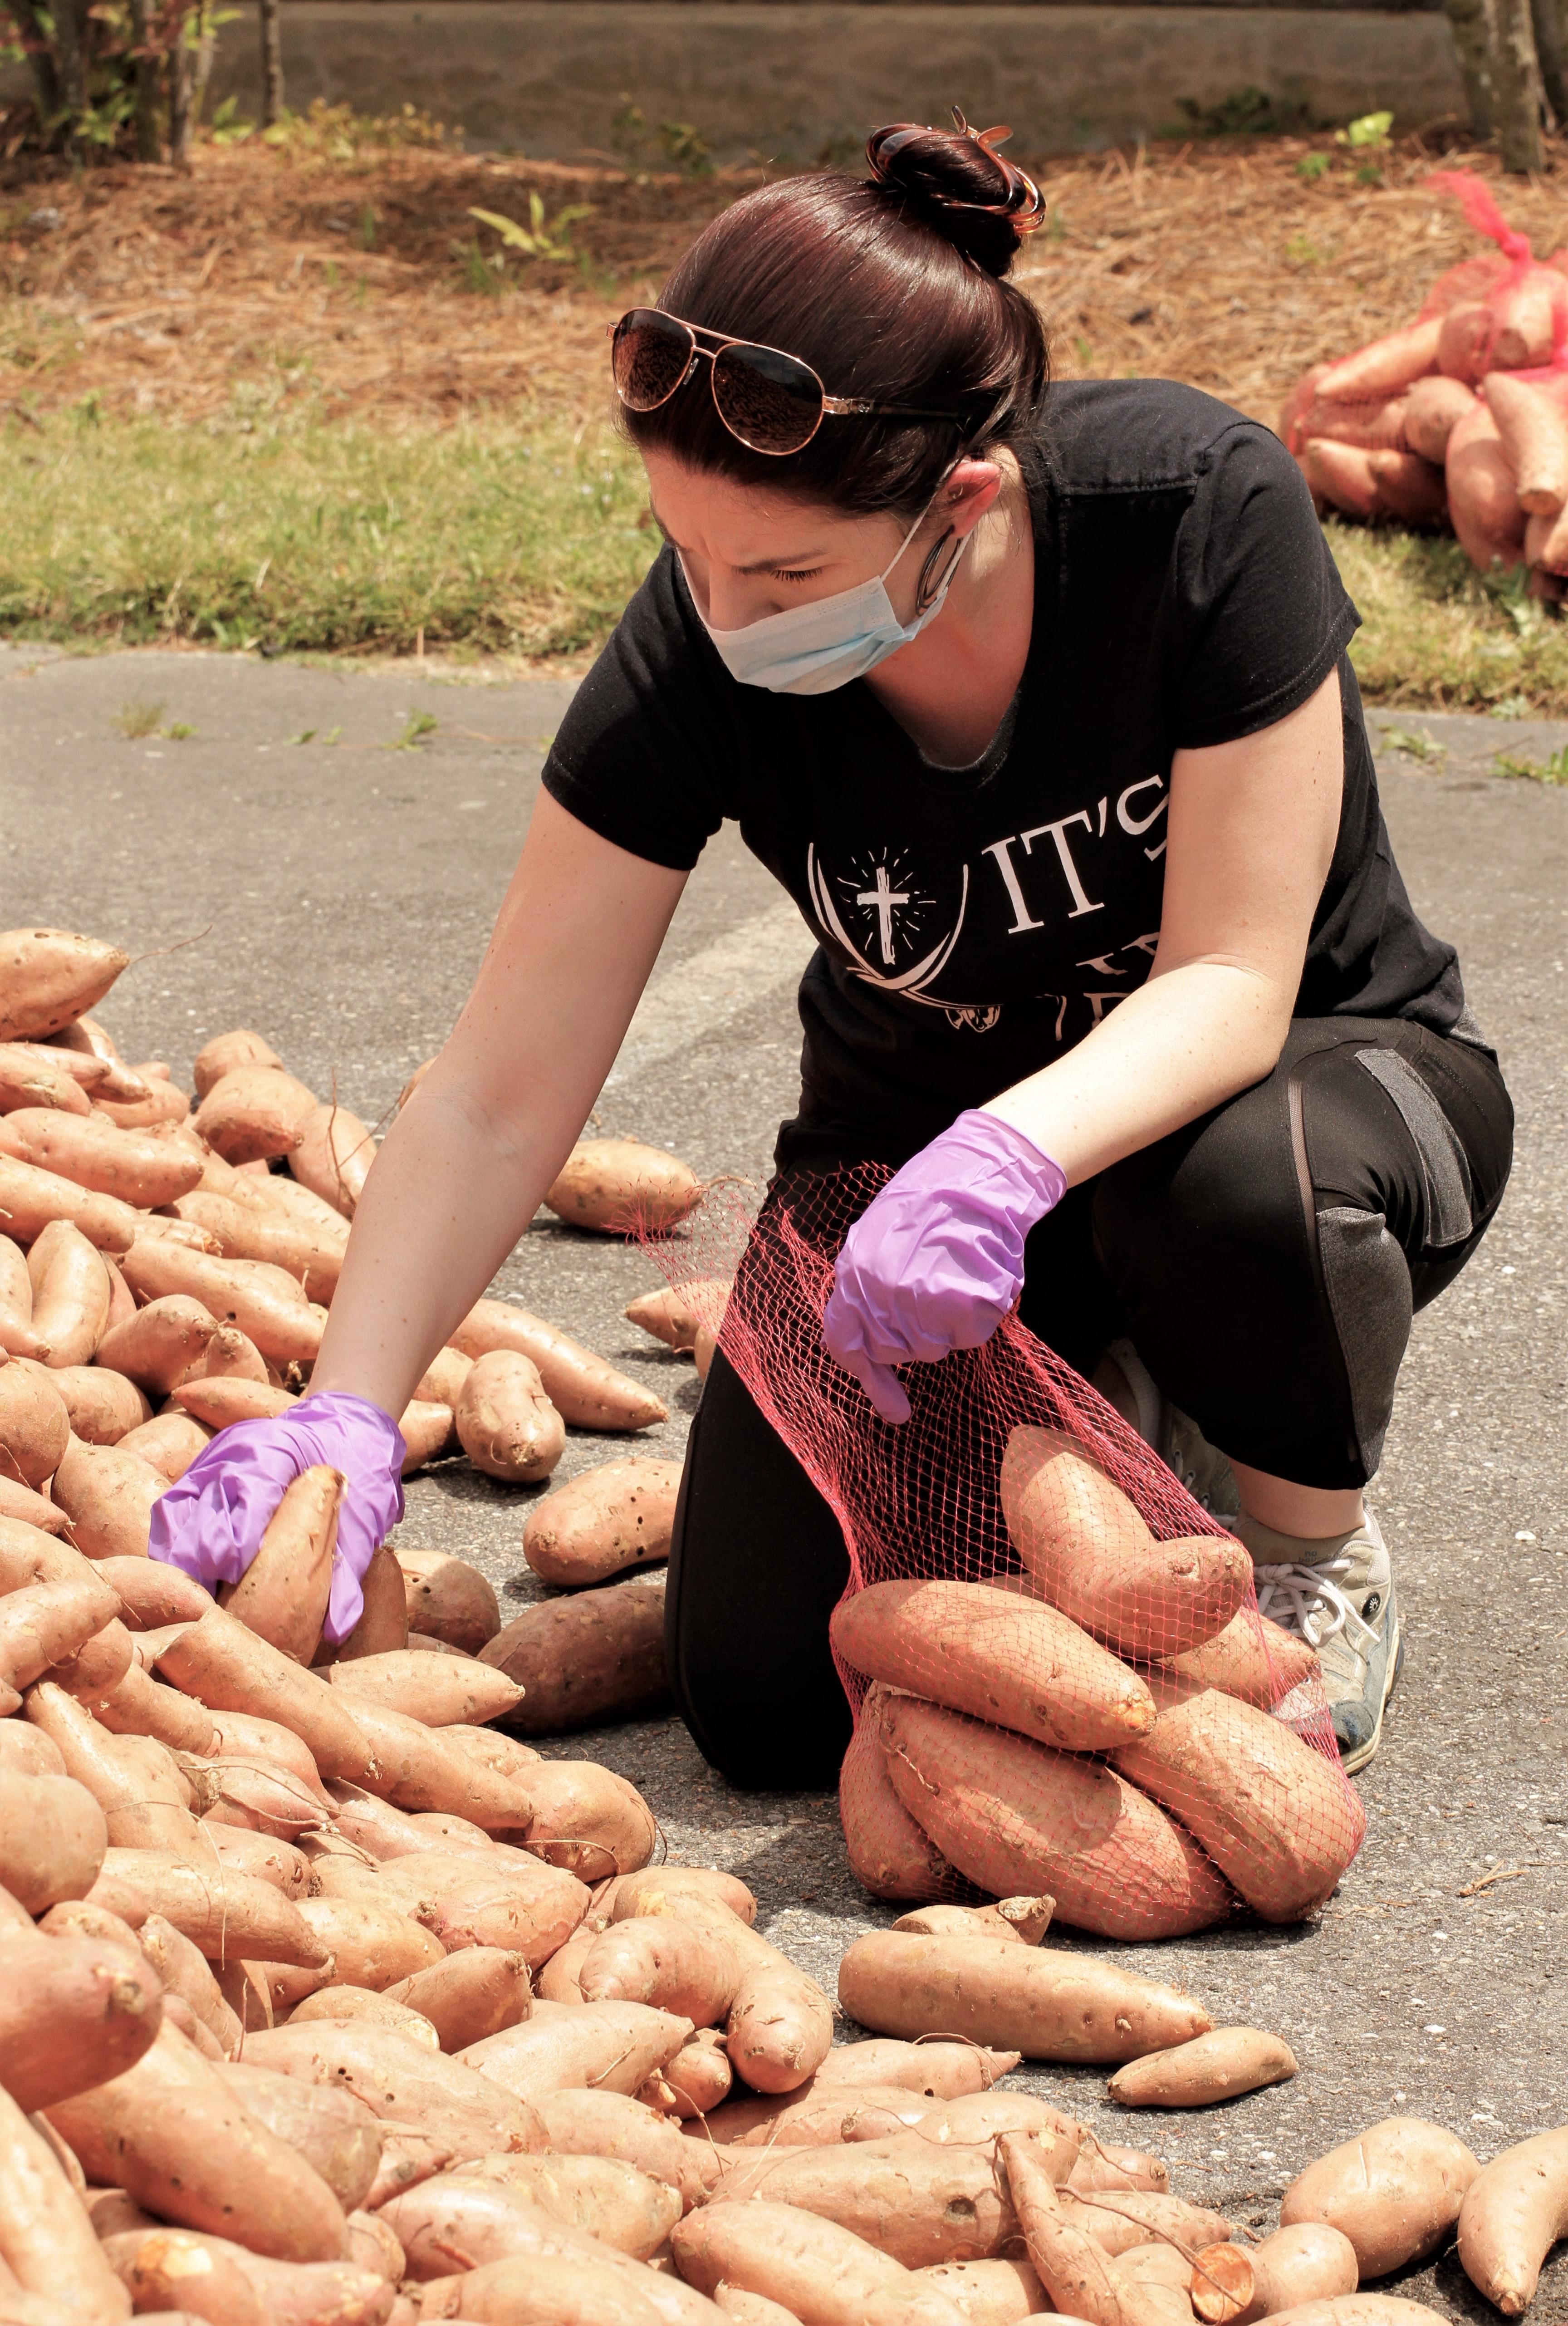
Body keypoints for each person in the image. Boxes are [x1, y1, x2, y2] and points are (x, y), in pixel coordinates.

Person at [151, 113, 1513, 1796]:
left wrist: (1010, 1149)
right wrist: (349, 1409)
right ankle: (1112, 1392)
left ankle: (1310, 1537)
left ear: (966, 499)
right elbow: (502, 1091)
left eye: (786, 569)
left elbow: (1233, 982)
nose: (725, 615)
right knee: (770, 1700)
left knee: (1236, 1196)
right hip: (917, 1206)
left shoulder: (1196, 515)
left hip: (1309, 1099)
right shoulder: (702, 649)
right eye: (687, 553)